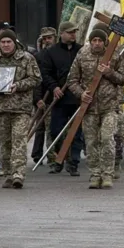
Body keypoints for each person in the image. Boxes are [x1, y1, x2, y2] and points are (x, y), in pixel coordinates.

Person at [66, 28, 124, 190]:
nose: (96, 44)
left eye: (99, 41)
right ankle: (95, 174)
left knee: (107, 138)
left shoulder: (115, 53)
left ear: (105, 42)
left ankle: (107, 173)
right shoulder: (82, 54)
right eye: (93, 40)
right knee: (91, 142)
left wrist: (109, 72)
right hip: (89, 108)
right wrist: (81, 94)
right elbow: (72, 80)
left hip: (110, 106)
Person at [0, 29, 41, 189]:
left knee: (18, 140)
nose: (6, 45)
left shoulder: (26, 58)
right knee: (4, 143)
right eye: (3, 42)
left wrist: (19, 85)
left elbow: (36, 78)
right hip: (0, 108)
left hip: (20, 108)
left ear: (14, 42)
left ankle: (18, 174)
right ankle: (8, 173)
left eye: (8, 42)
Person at [40, 21, 83, 176]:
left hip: (77, 98)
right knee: (55, 130)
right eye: (70, 32)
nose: (73, 35)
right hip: (59, 99)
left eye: (74, 32)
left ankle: (74, 163)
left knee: (76, 132)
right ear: (62, 34)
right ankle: (60, 159)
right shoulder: (51, 52)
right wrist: (54, 87)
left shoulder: (81, 51)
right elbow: (45, 73)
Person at [30, 27, 58, 164]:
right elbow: (35, 80)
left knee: (51, 127)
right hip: (41, 95)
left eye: (50, 38)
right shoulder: (38, 57)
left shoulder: (59, 54)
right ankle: (37, 154)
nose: (47, 41)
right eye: (45, 39)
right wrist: (37, 99)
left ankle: (52, 155)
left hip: (55, 96)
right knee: (39, 126)